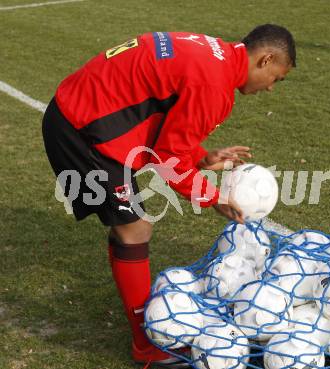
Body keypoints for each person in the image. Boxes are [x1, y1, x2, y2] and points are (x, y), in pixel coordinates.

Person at [42, 24, 296, 367]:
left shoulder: (215, 53)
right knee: (135, 229)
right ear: (266, 59)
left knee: (130, 227)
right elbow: (165, 160)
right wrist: (212, 197)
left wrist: (201, 158)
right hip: (83, 131)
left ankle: (144, 330)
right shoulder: (215, 87)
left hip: (80, 110)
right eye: (276, 79)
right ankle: (147, 345)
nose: (271, 88)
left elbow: (167, 127)